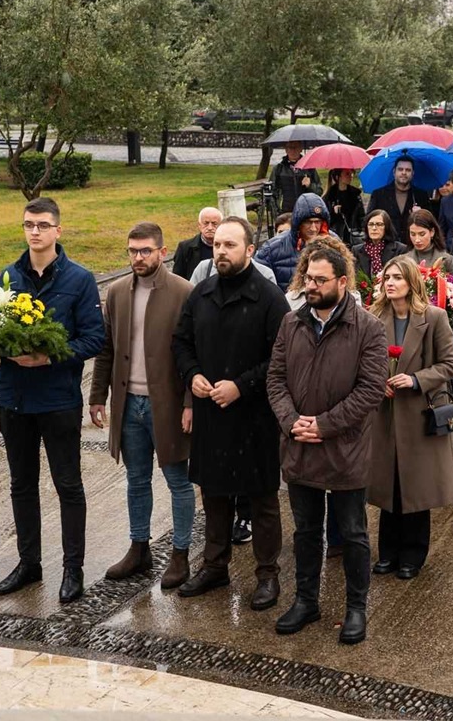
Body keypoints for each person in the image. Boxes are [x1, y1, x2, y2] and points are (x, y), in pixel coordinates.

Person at [0, 198, 105, 604]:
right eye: (28, 225)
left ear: (58, 230)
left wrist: (48, 356)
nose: (34, 232)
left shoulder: (79, 279)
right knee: (21, 485)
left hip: (57, 399)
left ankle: (74, 569)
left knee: (68, 485)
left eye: (42, 225)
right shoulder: (7, 277)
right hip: (15, 398)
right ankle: (29, 563)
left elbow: (94, 338)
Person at [267, 246, 387, 644]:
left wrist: (325, 425)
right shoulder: (291, 323)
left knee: (352, 532)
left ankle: (356, 608)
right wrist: (291, 422)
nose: (311, 286)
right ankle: (306, 600)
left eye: (320, 280)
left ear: (342, 282)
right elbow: (276, 379)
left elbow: (370, 390)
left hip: (344, 449)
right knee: (304, 531)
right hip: (299, 445)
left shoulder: (367, 327)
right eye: (307, 279)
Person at [172, 217, 291, 610]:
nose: (220, 251)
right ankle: (215, 565)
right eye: (217, 245)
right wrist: (193, 375)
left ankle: (267, 574)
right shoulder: (201, 293)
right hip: (211, 413)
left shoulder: (270, 298)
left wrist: (241, 385)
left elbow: (281, 356)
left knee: (261, 499)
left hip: (254, 415)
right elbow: (181, 342)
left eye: (230, 245)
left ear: (250, 251)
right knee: (215, 492)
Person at [89, 223, 195, 591]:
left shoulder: (183, 292)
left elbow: (193, 354)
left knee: (178, 481)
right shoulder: (117, 292)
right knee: (136, 479)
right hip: (128, 403)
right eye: (132, 251)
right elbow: (106, 349)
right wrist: (98, 396)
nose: (137, 257)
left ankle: (180, 553)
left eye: (145, 251)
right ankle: (139, 547)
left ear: (162, 252)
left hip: (166, 405)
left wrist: (189, 402)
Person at [367, 258, 453, 578]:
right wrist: (378, 382)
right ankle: (387, 552)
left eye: (397, 277)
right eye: (386, 277)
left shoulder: (433, 317)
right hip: (385, 416)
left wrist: (416, 379)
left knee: (416, 488)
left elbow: (450, 364)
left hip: (420, 413)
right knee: (388, 485)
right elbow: (362, 361)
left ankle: (413, 555)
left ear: (411, 282)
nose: (389, 282)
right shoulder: (374, 316)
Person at [255, 193, 332, 288]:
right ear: (298, 223)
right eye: (308, 222)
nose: (313, 228)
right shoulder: (271, 249)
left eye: (317, 222)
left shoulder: (334, 243)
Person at [367, 156, 431, 243]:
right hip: (386, 245)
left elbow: (430, 222)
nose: (404, 173)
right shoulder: (379, 194)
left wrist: (421, 215)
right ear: (394, 172)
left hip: (412, 244)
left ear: (413, 173)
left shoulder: (420, 195)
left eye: (408, 170)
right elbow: (369, 220)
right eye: (400, 169)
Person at [352, 209, 409, 278]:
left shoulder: (400, 250)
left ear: (387, 227)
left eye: (379, 224)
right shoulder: (356, 250)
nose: (374, 228)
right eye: (370, 224)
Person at [404, 208, 453, 278]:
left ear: (432, 232)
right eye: (413, 234)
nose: (417, 240)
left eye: (422, 234)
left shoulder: (447, 260)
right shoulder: (404, 260)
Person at [270, 141, 322, 214]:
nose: (293, 150)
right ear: (286, 149)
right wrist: (276, 211)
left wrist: (310, 186)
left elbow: (319, 192)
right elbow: (272, 192)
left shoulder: (309, 169)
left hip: (305, 211)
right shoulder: (279, 169)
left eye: (296, 147)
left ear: (301, 149)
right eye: (290, 147)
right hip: (285, 212)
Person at [172, 207, 222, 280]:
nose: (210, 227)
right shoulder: (185, 248)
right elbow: (177, 279)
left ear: (221, 225)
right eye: (206, 223)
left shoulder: (228, 247)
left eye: (214, 224)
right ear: (199, 225)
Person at [323, 169, 364, 244]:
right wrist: (333, 212)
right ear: (338, 177)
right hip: (336, 236)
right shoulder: (329, 197)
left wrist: (362, 230)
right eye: (347, 174)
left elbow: (361, 216)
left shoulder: (355, 195)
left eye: (352, 174)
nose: (351, 176)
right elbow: (325, 220)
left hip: (354, 235)